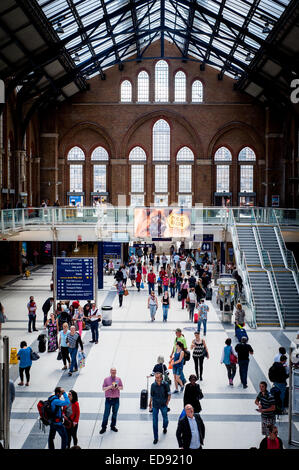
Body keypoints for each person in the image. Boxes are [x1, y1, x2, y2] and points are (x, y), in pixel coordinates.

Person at [149, 372, 171, 444]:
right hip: (155, 405)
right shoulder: (153, 385)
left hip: (163, 404)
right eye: (156, 378)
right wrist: (150, 403)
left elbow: (169, 394)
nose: (157, 379)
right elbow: (152, 395)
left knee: (165, 419)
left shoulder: (165, 384)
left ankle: (165, 427)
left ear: (161, 378)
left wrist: (167, 403)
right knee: (154, 421)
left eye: (158, 378)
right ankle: (156, 438)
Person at [99, 368, 123, 434]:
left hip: (116, 399)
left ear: (116, 372)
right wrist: (110, 387)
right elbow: (103, 389)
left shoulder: (118, 379)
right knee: (106, 414)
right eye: (112, 371)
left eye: (115, 371)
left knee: (114, 414)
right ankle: (103, 427)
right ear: (110, 371)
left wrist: (117, 387)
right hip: (108, 399)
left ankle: (113, 426)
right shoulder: (106, 379)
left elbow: (122, 387)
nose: (113, 372)